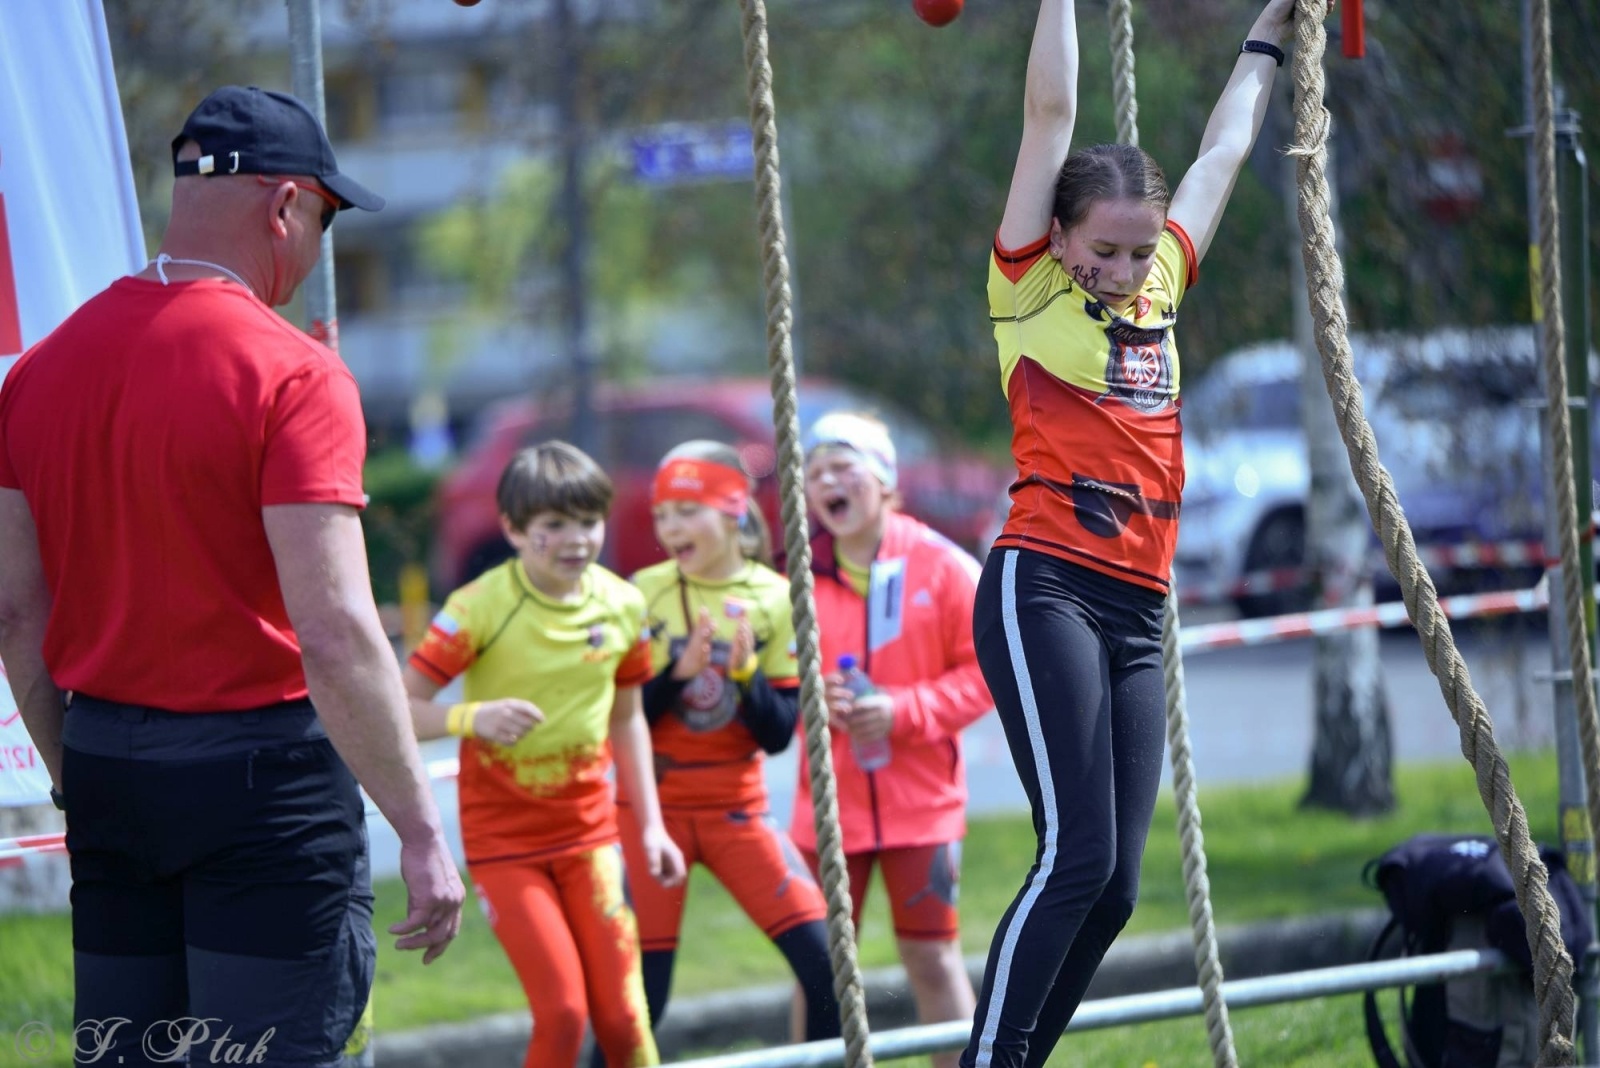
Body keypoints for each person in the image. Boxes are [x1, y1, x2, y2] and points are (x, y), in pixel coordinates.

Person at [0, 85, 463, 1064]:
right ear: (285, 205)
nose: (318, 249)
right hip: (264, 786)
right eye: (327, 220)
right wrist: (420, 830)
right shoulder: (291, 372)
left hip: (109, 763)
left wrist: (76, 773)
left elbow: (12, 611)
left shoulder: (39, 372)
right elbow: (335, 630)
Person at [963, 1, 1307, 1064]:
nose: (1118, 270)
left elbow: (1223, 145)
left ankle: (1019, 1056)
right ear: (1059, 235)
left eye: (1134, 250)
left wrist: (1270, 36)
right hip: (1046, 587)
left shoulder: (1160, 283)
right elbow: (1050, 109)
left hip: (1138, 608)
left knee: (1112, 888)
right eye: (1101, 250)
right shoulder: (1026, 288)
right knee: (1072, 855)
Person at [402, 440, 686, 1068]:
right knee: (563, 1015)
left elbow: (629, 718)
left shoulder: (624, 604)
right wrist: (473, 717)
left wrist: (653, 828)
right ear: (511, 527)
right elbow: (400, 709)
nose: (575, 540)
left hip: (591, 840)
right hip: (507, 846)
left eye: (588, 522)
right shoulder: (476, 607)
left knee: (625, 1021)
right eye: (553, 526)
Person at [611, 440, 839, 1056]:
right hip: (650, 815)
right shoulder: (640, 591)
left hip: (737, 811)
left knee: (829, 974)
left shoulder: (776, 596)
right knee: (639, 1002)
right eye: (662, 514)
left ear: (734, 511)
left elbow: (776, 734)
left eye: (687, 511)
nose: (670, 528)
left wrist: (745, 678)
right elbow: (621, 717)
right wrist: (677, 674)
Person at [791, 412, 993, 1068]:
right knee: (819, 966)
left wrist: (903, 710)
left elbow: (988, 675)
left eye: (843, 466)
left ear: (884, 481)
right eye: (815, 471)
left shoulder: (941, 565)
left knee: (932, 958)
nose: (827, 481)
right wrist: (806, 698)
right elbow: (768, 683)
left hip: (920, 808)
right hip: (826, 809)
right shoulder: (792, 576)